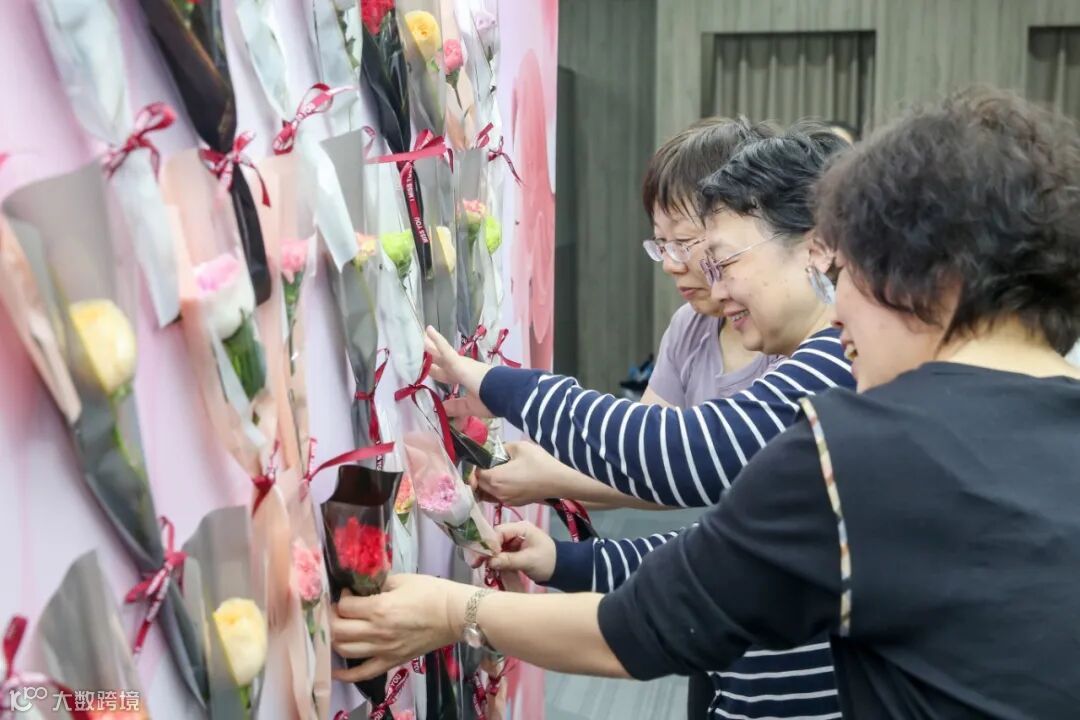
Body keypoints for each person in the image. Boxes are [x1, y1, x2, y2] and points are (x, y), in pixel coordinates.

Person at [330, 87, 1080, 717]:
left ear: (929, 275)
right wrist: (570, 558)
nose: (841, 307)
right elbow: (733, 560)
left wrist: (454, 611)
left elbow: (649, 614)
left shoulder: (862, 449)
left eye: (848, 271)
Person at [338, 125, 856, 719]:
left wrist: (498, 386)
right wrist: (568, 562)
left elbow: (673, 457)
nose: (713, 281)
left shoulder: (836, 369)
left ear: (816, 249)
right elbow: (718, 559)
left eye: (722, 258)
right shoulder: (802, 355)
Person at [475, 117, 779, 515]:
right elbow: (647, 459)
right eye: (662, 244)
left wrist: (550, 477)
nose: (670, 264)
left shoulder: (800, 352)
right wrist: (545, 478)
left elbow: (699, 468)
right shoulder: (690, 327)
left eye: (684, 242)